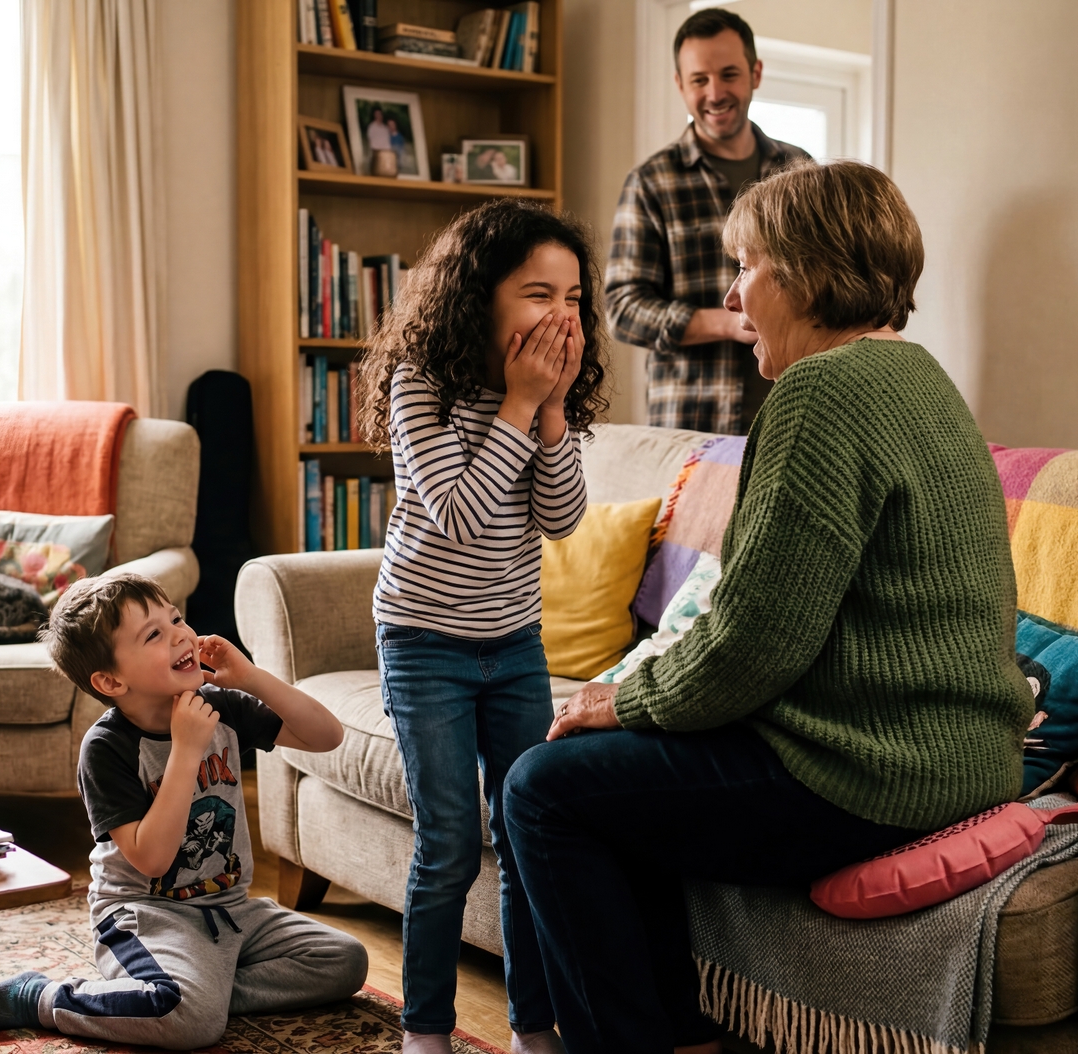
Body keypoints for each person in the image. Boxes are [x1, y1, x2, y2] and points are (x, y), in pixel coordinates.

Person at [503, 162, 1032, 1054]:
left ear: (803, 270)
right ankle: (681, 1038)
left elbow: (749, 647)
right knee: (622, 777)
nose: (733, 290)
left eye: (744, 264)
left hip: (874, 772)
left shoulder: (820, 396)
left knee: (543, 788)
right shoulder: (925, 382)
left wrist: (616, 699)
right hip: (966, 758)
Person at [351, 198, 608, 1054]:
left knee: (528, 836)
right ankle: (425, 1030)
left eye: (573, 299)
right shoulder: (422, 381)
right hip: (424, 643)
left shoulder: (542, 394)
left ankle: (534, 1027)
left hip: (515, 644)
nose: (561, 316)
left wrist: (551, 411)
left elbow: (561, 517)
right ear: (480, 295)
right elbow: (457, 516)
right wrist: (517, 403)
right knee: (451, 843)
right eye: (539, 294)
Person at [0, 573, 367, 1047]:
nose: (181, 633)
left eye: (176, 618)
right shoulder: (106, 748)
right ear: (111, 680)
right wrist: (185, 751)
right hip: (145, 912)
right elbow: (152, 859)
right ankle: (40, 996)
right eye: (154, 634)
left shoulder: (218, 705)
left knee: (344, 960)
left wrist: (252, 678)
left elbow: (327, 736)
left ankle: (194, 997)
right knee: (192, 1024)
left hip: (228, 908)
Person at [608, 7, 811, 434]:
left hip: (794, 410)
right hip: (690, 422)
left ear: (755, 73)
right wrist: (732, 320)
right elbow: (623, 309)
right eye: (699, 79)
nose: (715, 92)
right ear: (681, 85)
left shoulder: (800, 170)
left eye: (729, 74)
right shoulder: (650, 181)